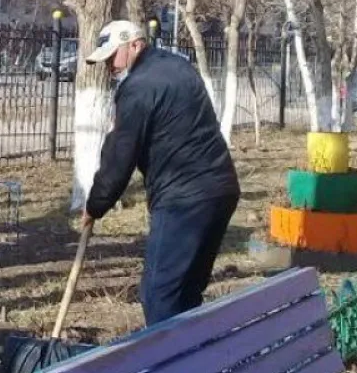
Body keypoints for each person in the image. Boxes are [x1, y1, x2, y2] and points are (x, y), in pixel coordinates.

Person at [81, 19, 240, 326]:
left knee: (159, 294)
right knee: (187, 291)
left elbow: (120, 154)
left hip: (183, 199)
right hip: (221, 191)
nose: (110, 66)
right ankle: (193, 364)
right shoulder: (179, 67)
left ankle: (166, 369)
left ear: (135, 45)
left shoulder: (138, 88)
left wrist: (95, 204)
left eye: (113, 57)